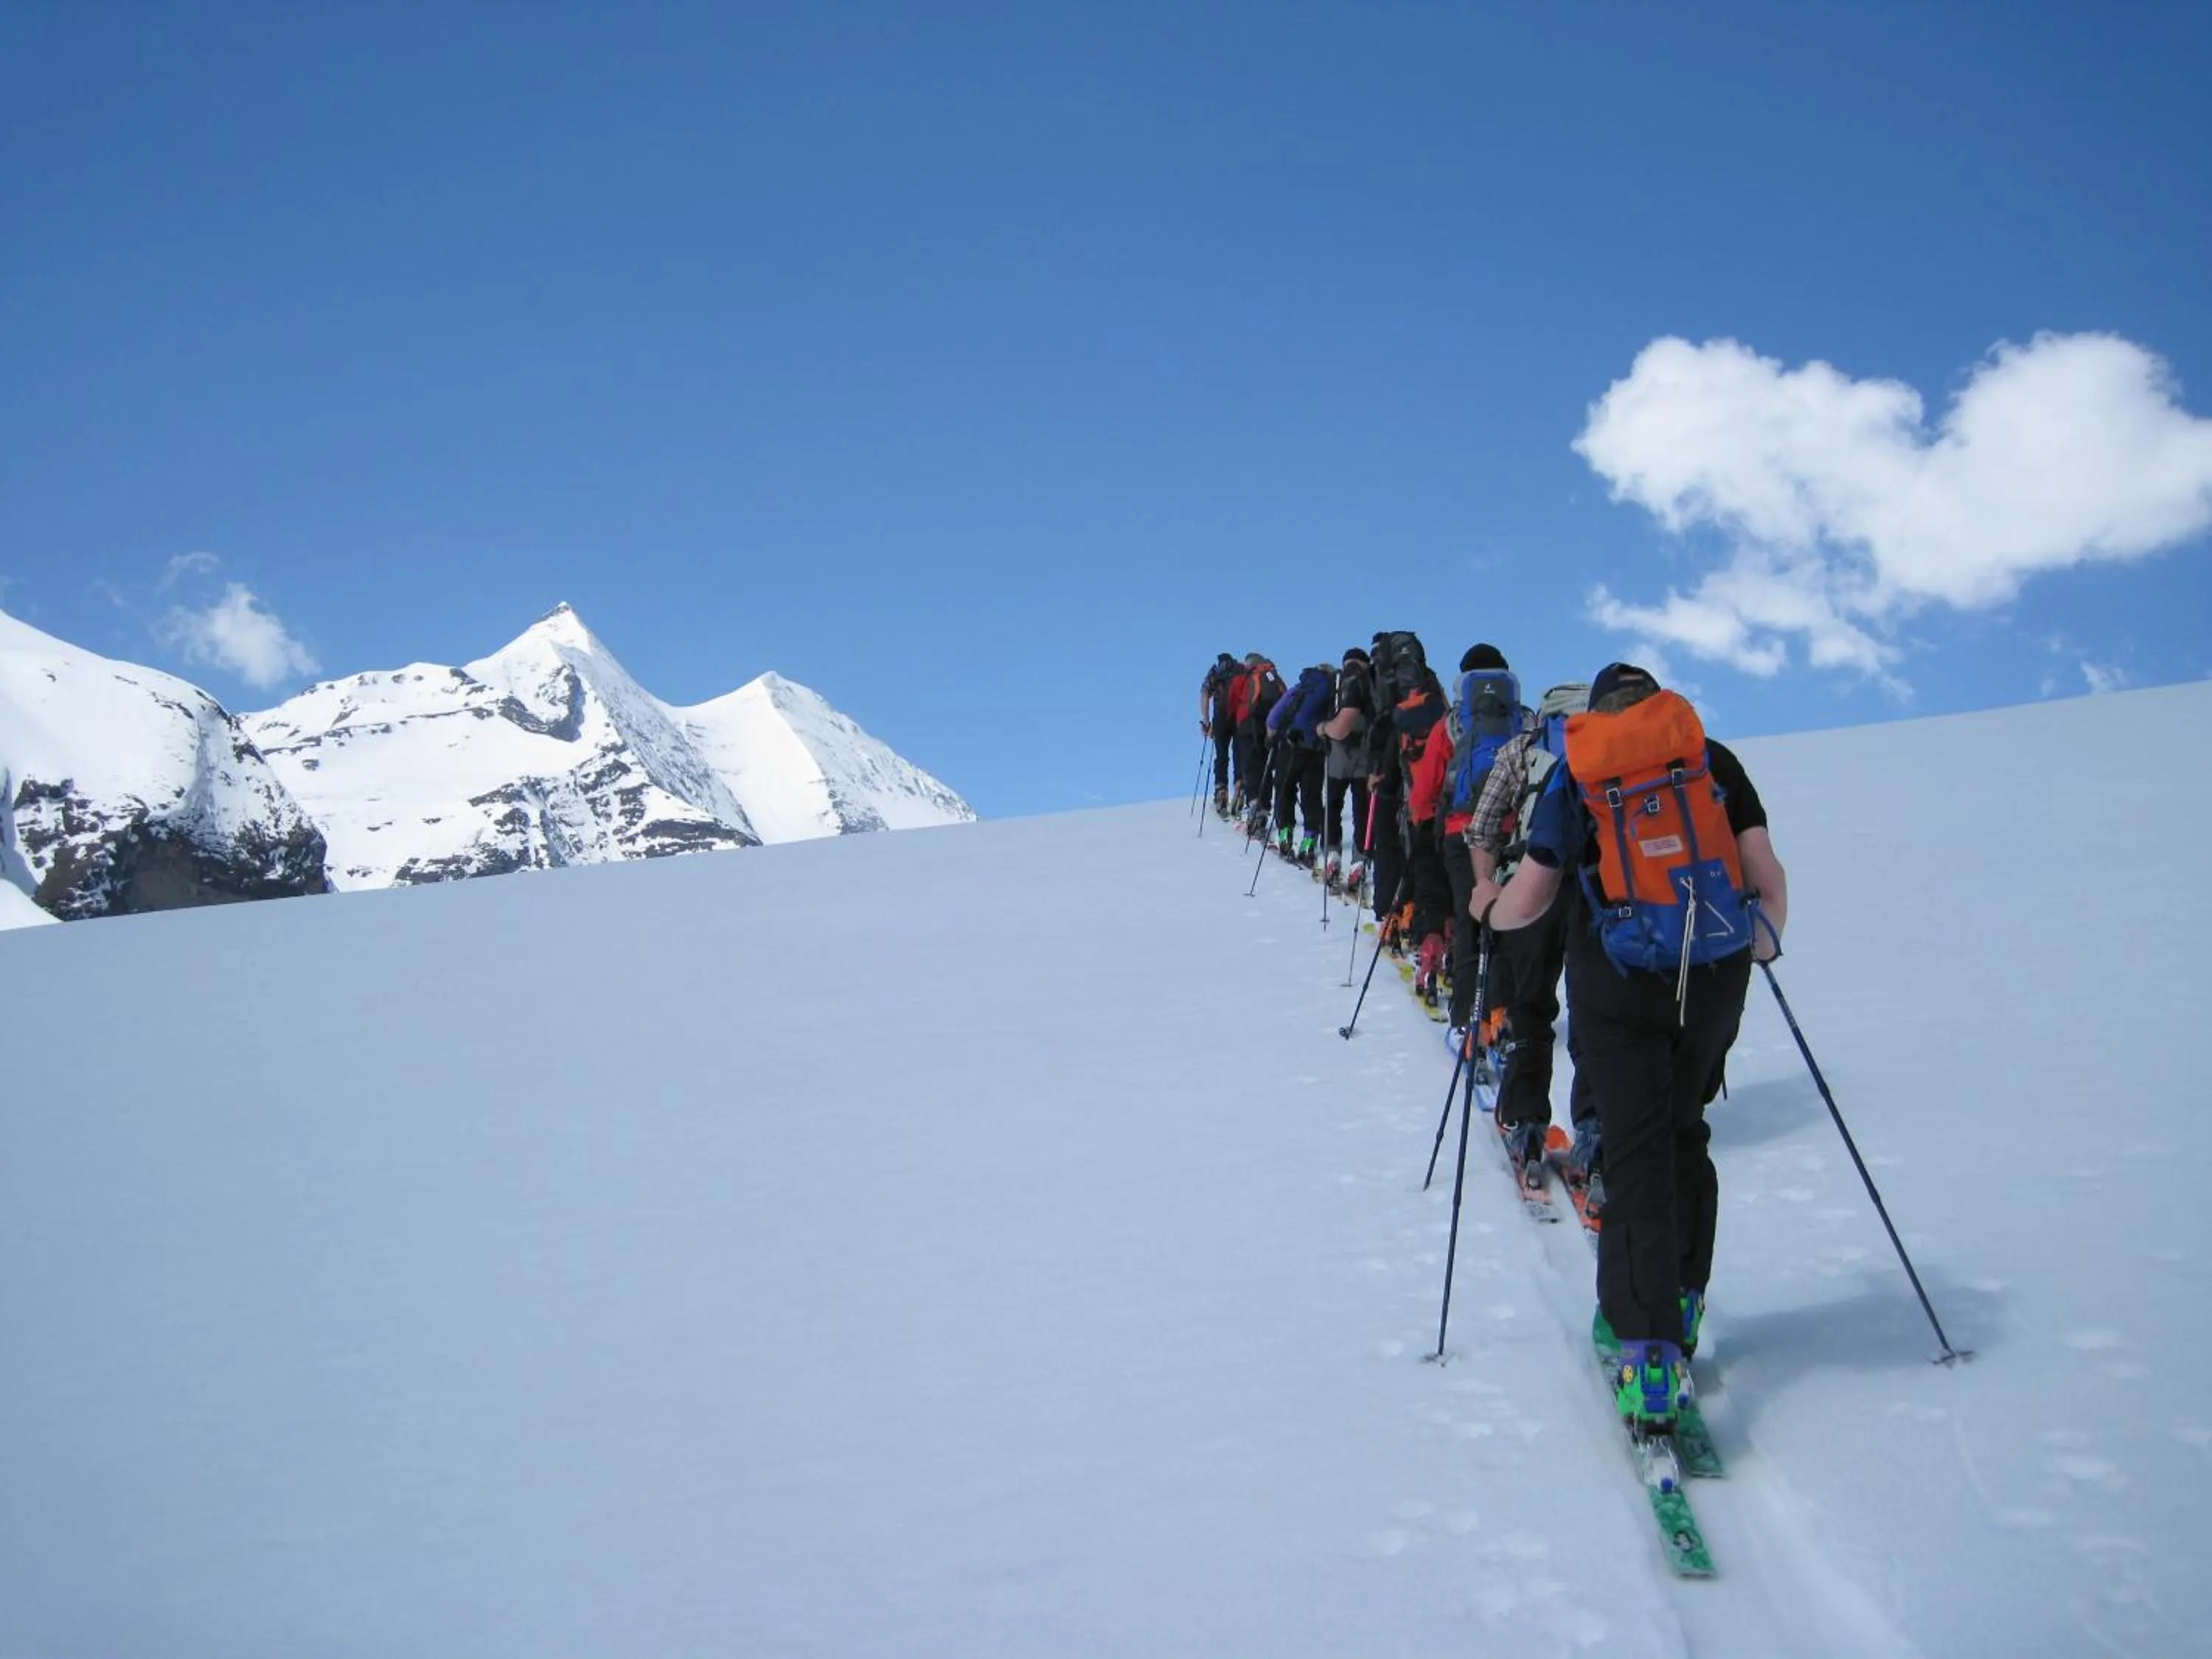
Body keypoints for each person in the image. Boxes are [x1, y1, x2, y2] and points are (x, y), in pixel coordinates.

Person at [1482, 663, 1788, 1437]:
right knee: (1687, 1130)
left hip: (1618, 987)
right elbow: (1764, 872)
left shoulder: (1582, 773)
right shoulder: (1709, 761)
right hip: (1713, 977)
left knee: (1635, 1149)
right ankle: (1682, 1302)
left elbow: (1533, 897)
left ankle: (1646, 1353)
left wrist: (1489, 907)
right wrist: (1761, 943)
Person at [1465, 679, 1599, 1194]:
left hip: (1531, 886)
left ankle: (1526, 1125)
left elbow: (1482, 828)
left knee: (1530, 1007)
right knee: (1593, 1013)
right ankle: (1596, 1131)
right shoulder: (1614, 749)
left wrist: (1485, 885)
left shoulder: (1522, 749)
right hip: (1599, 894)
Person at [1383, 635, 1452, 1005]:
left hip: (1419, 797)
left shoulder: (1393, 690)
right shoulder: (1436, 691)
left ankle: (1427, 950)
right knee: (1446, 880)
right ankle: (1450, 942)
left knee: (1423, 873)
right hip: (1453, 801)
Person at [1316, 647, 1373, 894]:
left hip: (1336, 754)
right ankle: (1359, 861)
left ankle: (1332, 855)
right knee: (1362, 809)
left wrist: (1321, 729)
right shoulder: (1371, 682)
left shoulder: (1334, 681)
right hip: (1365, 755)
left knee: (1333, 805)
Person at [1199, 653, 1239, 815]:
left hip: (1220, 718)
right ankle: (1240, 787)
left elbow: (1204, 693)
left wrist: (1206, 721)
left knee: (1221, 756)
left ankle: (1221, 791)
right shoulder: (1240, 670)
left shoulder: (1214, 673)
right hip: (1239, 719)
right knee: (1239, 754)